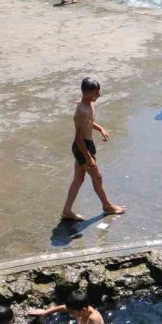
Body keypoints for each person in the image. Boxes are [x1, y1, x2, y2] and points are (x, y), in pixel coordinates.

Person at [61, 77, 127, 221]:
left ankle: (67, 210)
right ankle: (106, 206)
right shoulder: (82, 110)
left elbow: (89, 123)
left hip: (86, 145)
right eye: (96, 93)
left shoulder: (88, 104)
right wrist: (88, 157)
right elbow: (78, 137)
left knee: (78, 180)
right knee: (97, 177)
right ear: (86, 93)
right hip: (82, 147)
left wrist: (100, 128)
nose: (99, 95)